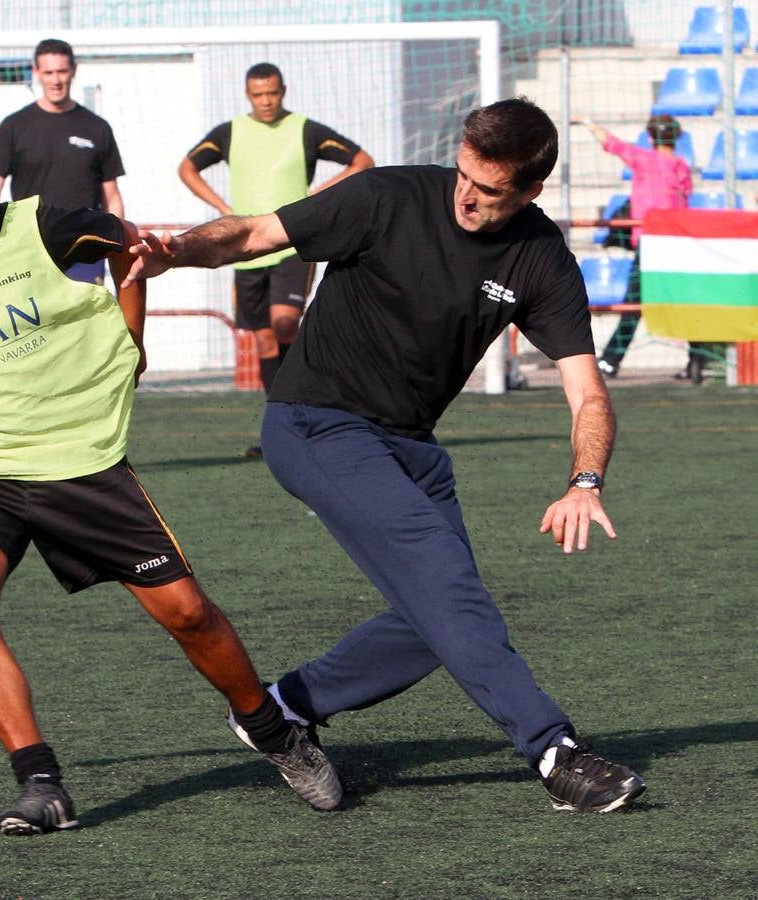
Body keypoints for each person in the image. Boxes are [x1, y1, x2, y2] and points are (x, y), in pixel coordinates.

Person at [0, 133, 341, 836]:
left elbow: (132, 252)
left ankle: (273, 731)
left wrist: (132, 339)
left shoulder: (46, 227)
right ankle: (40, 783)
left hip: (78, 462)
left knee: (187, 613)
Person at [127, 97, 647, 814]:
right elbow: (252, 233)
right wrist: (175, 251)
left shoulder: (540, 257)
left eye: (489, 189)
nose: (466, 194)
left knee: (435, 622)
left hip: (412, 448)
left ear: (529, 192)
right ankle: (556, 754)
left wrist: (586, 480)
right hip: (316, 423)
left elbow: (587, 392)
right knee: (451, 595)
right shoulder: (385, 197)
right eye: (464, 173)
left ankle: (283, 708)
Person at [178, 62, 374, 457]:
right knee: (264, 342)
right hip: (246, 248)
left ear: (283, 90)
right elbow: (187, 168)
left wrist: (317, 196)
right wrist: (222, 207)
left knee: (285, 324)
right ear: (248, 95)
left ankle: (318, 412)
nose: (266, 101)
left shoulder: (305, 130)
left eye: (272, 93)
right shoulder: (230, 133)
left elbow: (362, 161)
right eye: (258, 95)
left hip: (293, 244)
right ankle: (284, 430)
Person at [0, 38, 124, 285]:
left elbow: (112, 197)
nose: (56, 80)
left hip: (85, 247)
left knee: (82, 323)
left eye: (61, 71)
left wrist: (118, 246)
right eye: (48, 72)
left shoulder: (97, 128)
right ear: (36, 73)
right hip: (27, 246)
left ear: (73, 70)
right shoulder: (14, 126)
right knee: (34, 323)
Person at [581, 115, 693, 379]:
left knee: (633, 304)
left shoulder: (643, 159)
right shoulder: (680, 166)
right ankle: (698, 360)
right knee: (686, 303)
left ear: (651, 138)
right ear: (676, 139)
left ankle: (610, 360)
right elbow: (685, 199)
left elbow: (612, 143)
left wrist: (588, 122)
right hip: (676, 240)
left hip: (651, 242)